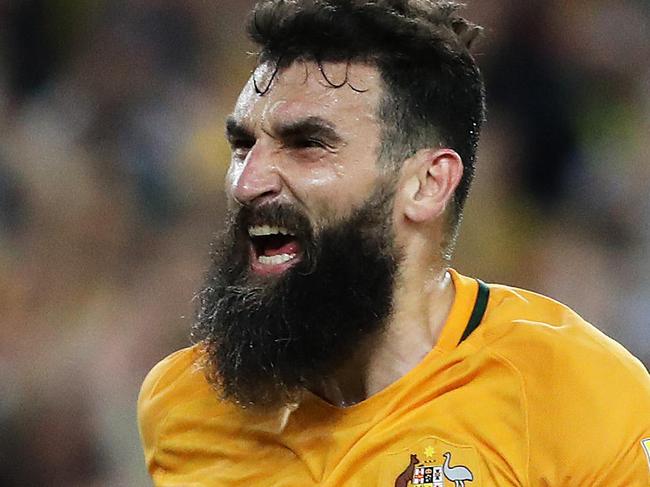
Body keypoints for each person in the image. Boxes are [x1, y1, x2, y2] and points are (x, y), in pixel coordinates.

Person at [137, 1, 650, 485]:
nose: (247, 183)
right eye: (243, 145)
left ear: (427, 184)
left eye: (306, 144)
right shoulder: (184, 406)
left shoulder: (576, 395)